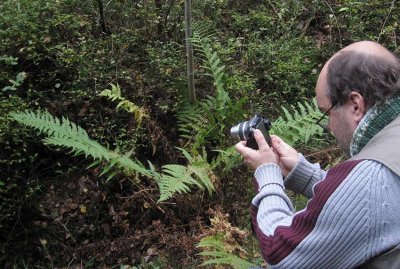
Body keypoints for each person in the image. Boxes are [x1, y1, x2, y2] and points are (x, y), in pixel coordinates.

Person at [235, 41, 400, 269]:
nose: (329, 126)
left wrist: (267, 173)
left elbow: (280, 254)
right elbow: (376, 204)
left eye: (326, 113)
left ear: (355, 105)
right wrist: (302, 172)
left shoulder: (370, 177)